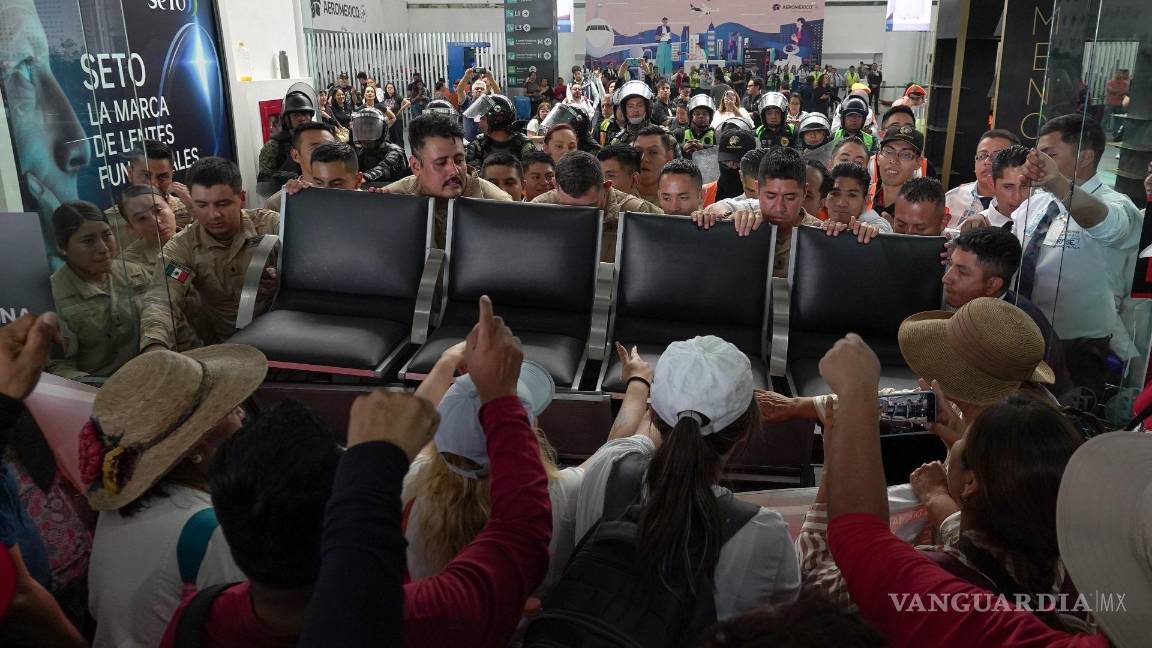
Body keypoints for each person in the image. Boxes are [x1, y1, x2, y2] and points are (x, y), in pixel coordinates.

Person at [811, 331, 1129, 648]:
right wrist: (970, 460)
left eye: (966, 439)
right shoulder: (1085, 587)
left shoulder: (938, 582)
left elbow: (816, 581)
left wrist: (833, 461)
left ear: (971, 481)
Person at [569, 336, 800, 625]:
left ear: (654, 415)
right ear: (745, 431)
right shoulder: (763, 534)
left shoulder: (606, 467)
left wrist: (641, 382)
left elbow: (630, 439)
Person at [86, 344, 267, 648]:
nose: (241, 412)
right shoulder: (210, 531)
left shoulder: (123, 505)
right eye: (227, 408)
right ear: (198, 446)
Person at [1012, 113, 1144, 402]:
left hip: (1080, 352)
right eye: (1037, 155)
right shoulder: (1037, 204)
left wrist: (1059, 184)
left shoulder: (1117, 205)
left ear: (1084, 156)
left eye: (1050, 155)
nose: (1039, 163)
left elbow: (1109, 227)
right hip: (1024, 339)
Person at [139, 157, 280, 351]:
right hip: (231, 347)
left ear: (241, 198)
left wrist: (282, 278)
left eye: (222, 204)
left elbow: (311, 268)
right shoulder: (182, 248)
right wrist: (154, 346)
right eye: (202, 205)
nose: (213, 215)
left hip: (285, 334)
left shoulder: (270, 225)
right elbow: (162, 300)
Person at [944, 227, 1070, 396]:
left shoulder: (1015, 334)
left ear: (992, 285)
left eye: (961, 271)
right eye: (950, 264)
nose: (946, 278)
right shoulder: (990, 310)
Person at [44, 201, 149, 381]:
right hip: (95, 389)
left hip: (151, 372)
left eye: (107, 235)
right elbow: (58, 366)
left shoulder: (134, 273)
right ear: (62, 247)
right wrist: (101, 387)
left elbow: (165, 320)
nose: (103, 248)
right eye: (88, 241)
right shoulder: (53, 295)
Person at [385, 113, 512, 248]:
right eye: (441, 163)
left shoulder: (500, 207)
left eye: (459, 160)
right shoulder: (392, 199)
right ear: (416, 166)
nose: (454, 171)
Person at [694, 148, 824, 277]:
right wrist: (728, 221)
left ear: (805, 191)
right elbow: (717, 208)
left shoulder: (821, 235)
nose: (779, 208)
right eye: (771, 196)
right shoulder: (747, 213)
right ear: (758, 188)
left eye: (790, 197)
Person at [531, 151, 662, 262]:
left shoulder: (639, 213)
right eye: (570, 208)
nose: (580, 217)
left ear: (606, 187)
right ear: (555, 185)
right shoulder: (538, 211)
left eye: (590, 207)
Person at [105, 141, 194, 244]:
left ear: (172, 175)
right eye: (146, 175)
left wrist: (194, 209)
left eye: (162, 176)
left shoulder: (189, 209)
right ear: (130, 173)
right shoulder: (111, 223)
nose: (154, 184)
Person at [944, 129, 1021, 228]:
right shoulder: (952, 198)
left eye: (997, 156)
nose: (987, 161)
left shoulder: (1019, 201)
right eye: (982, 156)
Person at [264, 122, 337, 211]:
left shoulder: (347, 190)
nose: (326, 153)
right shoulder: (280, 203)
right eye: (315, 149)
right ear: (296, 155)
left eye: (331, 147)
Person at [961, 145, 1032, 230]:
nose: (1017, 197)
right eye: (1008, 187)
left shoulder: (1043, 222)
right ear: (992, 184)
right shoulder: (973, 227)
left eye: (1024, 186)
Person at [116, 185, 182, 273]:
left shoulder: (195, 234)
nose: (156, 221)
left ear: (171, 206)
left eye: (158, 210)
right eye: (142, 218)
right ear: (131, 228)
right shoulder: (128, 265)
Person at [258, 88, 317, 185]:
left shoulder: (318, 138)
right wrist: (290, 178)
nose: (302, 118)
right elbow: (263, 182)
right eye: (296, 115)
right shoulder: (274, 145)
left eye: (305, 114)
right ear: (287, 119)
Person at [464, 94, 535, 170]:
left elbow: (531, 173)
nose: (479, 123)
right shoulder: (478, 144)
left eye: (483, 119)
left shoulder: (523, 144)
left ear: (498, 119)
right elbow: (474, 173)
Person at [870, 124, 925, 217]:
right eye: (888, 152)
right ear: (878, 157)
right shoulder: (863, 195)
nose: (894, 160)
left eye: (905, 155)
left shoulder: (924, 208)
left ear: (918, 163)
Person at [349, 106, 411, 185]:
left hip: (393, 191)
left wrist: (364, 177)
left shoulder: (395, 151)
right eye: (362, 132)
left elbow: (385, 168)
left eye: (371, 131)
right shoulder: (362, 152)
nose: (366, 136)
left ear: (382, 131)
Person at [824, 163, 892, 233]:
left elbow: (881, 231)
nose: (841, 203)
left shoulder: (877, 227)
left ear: (866, 200)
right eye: (835, 193)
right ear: (825, 198)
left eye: (852, 195)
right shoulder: (820, 226)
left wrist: (867, 235)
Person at [704, 128, 758, 205]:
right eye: (726, 160)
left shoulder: (761, 195)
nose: (731, 165)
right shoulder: (705, 192)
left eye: (738, 161)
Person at [632, 126, 678, 204]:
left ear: (669, 157)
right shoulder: (617, 195)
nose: (644, 159)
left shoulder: (679, 201)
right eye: (638, 152)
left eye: (653, 152)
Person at [610, 80, 657, 146]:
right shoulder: (617, 142)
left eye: (640, 105)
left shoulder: (661, 137)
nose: (635, 110)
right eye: (630, 106)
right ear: (624, 110)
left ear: (647, 108)